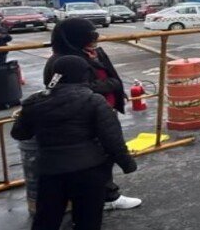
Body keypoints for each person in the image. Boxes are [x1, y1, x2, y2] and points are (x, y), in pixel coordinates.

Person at [12, 56, 137, 230]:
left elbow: (19, 133)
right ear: (84, 74)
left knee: (46, 219)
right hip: (89, 169)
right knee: (88, 220)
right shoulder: (94, 100)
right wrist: (127, 163)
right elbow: (112, 139)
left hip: (50, 170)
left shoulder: (36, 101)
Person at [44, 18, 141, 211]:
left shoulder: (95, 52)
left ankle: (104, 194)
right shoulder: (62, 61)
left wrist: (116, 89)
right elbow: (69, 89)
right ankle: (105, 198)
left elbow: (112, 76)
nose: (94, 40)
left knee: (106, 155)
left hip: (105, 111)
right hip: (84, 118)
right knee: (96, 157)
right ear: (74, 38)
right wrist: (112, 85)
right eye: (89, 37)